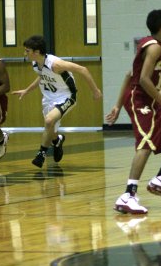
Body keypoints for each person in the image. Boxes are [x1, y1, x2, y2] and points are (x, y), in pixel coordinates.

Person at [106, 9, 161, 215]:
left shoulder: (159, 46)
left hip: (151, 102)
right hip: (140, 100)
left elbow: (129, 74)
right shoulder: (153, 48)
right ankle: (128, 195)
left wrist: (117, 105)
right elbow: (142, 79)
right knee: (144, 144)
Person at [12, 35, 102, 168]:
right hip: (48, 99)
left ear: (36, 52)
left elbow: (83, 70)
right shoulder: (35, 63)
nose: (24, 53)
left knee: (48, 121)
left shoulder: (55, 64)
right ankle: (57, 141)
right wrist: (27, 90)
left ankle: (41, 153)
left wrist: (95, 91)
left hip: (67, 96)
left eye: (27, 51)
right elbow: (42, 77)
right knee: (51, 130)